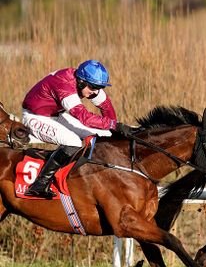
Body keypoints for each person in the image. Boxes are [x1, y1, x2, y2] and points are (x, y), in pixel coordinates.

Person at [22, 59, 128, 198]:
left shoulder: (86, 83)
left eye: (99, 87)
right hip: (34, 116)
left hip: (56, 115)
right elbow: (84, 117)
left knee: (103, 134)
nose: (95, 92)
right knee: (73, 142)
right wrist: (113, 125)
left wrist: (112, 127)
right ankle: (39, 185)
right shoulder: (64, 85)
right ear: (81, 82)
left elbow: (106, 106)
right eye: (93, 87)